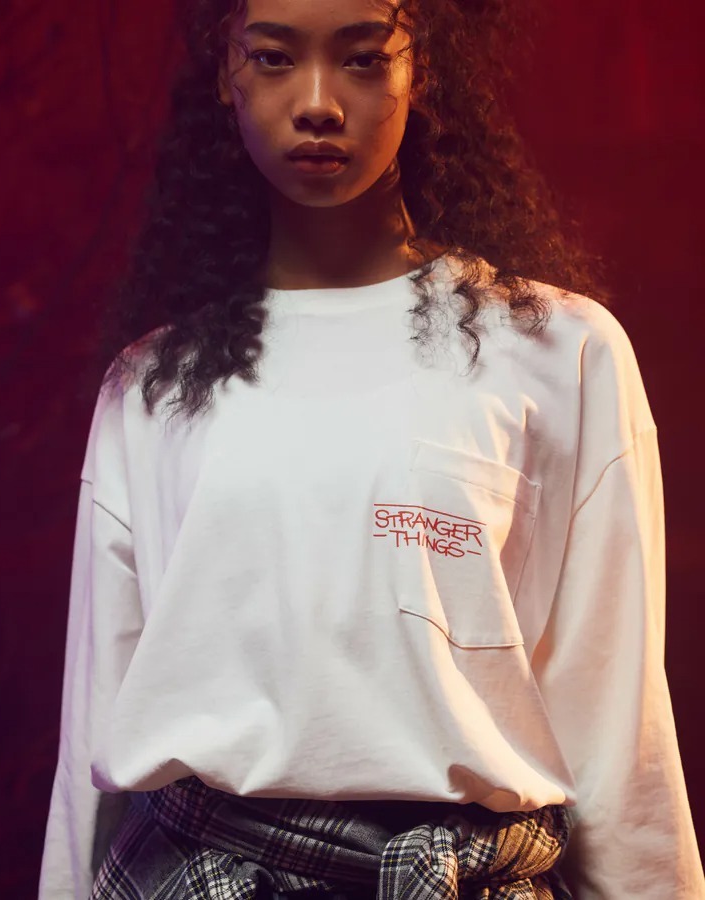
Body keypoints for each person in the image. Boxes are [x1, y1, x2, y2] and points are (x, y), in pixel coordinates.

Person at [39, 0, 704, 897]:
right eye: (274, 58)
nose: (318, 102)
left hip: (460, 876)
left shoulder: (559, 354)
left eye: (362, 58)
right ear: (224, 73)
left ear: (420, 68)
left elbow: (617, 719)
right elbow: (93, 734)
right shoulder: (152, 386)